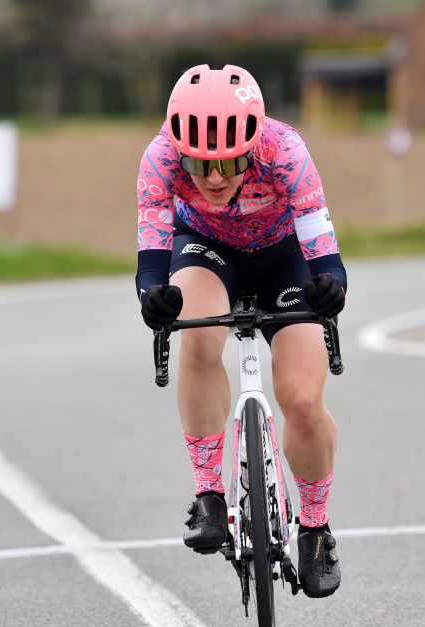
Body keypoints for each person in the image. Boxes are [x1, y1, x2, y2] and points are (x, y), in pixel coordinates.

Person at [135, 64, 347, 598]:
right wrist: (152, 297)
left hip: (284, 255)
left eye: (228, 162)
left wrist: (331, 284)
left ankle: (316, 528)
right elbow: (153, 247)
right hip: (208, 250)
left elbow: (321, 240)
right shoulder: (159, 158)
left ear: (251, 145)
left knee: (301, 399)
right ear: (178, 149)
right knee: (200, 336)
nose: (212, 178)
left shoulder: (286, 150)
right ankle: (208, 492)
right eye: (198, 163)